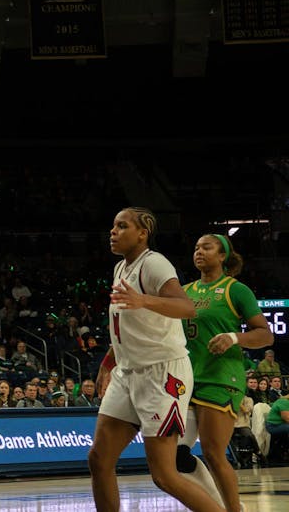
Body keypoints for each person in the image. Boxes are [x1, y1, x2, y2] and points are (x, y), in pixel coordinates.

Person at [88, 207, 223, 512]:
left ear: (142, 233)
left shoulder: (155, 264)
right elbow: (126, 324)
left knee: (164, 475)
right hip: (127, 371)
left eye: (122, 226)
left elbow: (186, 307)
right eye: (113, 226)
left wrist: (143, 299)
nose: (113, 231)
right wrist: (108, 363)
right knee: (99, 458)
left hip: (163, 374)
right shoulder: (121, 268)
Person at [177, 233, 272, 511]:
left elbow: (266, 335)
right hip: (187, 380)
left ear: (222, 256)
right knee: (176, 457)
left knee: (213, 453)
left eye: (207, 247)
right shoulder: (184, 291)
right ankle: (220, 507)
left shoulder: (235, 290)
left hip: (221, 379)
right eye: (196, 247)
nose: (199, 251)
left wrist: (234, 337)